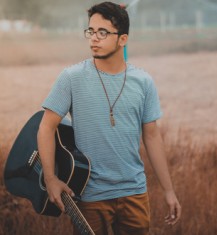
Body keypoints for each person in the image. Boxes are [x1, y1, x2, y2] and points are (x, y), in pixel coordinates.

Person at [37, 2, 181, 235]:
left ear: (122, 39)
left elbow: (152, 137)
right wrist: (51, 178)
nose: (94, 38)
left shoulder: (143, 82)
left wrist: (168, 190)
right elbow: (46, 126)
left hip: (134, 193)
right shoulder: (72, 77)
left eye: (102, 32)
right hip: (89, 195)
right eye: (91, 31)